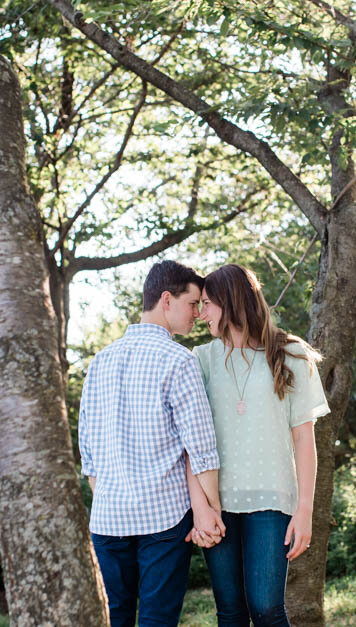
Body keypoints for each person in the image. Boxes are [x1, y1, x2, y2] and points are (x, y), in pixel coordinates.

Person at [78, 260, 224, 627]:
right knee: (158, 621)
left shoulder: (100, 362)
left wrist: (111, 496)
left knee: (119, 619)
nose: (197, 314)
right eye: (193, 303)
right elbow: (201, 449)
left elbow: (88, 454)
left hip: (108, 520)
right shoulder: (179, 360)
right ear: (166, 300)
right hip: (164, 521)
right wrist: (214, 510)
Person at [190, 263, 330, 626]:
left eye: (207, 303)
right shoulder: (201, 360)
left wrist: (304, 511)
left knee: (267, 608)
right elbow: (189, 439)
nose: (200, 313)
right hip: (217, 502)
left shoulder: (292, 355)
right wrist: (200, 507)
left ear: (230, 301)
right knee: (231, 613)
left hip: (272, 501)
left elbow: (304, 439)